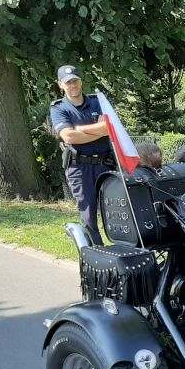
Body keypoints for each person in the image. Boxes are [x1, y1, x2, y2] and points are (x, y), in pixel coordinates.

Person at [49, 65, 115, 245]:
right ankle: (96, 252)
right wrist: (100, 131)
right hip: (79, 168)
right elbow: (69, 136)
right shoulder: (59, 108)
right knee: (88, 216)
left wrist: (82, 131)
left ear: (81, 81)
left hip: (105, 164)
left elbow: (112, 127)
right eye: (68, 82)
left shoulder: (98, 102)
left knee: (115, 208)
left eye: (75, 81)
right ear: (61, 85)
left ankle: (122, 249)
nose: (73, 85)